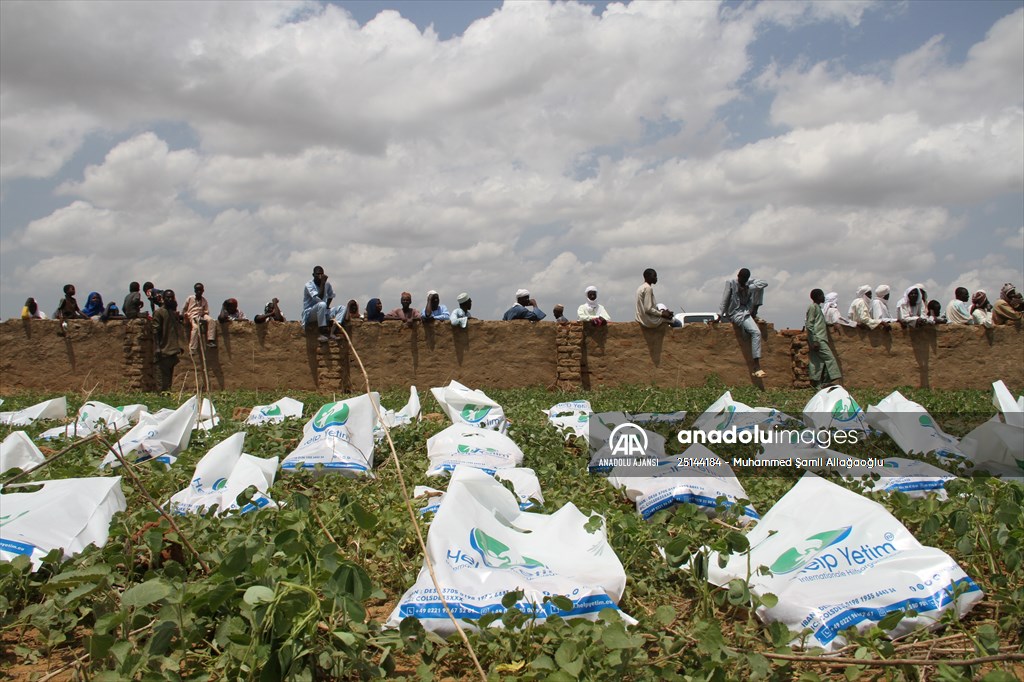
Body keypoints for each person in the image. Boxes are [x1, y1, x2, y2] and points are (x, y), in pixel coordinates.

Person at [719, 268, 768, 377]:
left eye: (745, 279)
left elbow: (765, 283)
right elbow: (724, 300)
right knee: (756, 333)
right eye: (742, 279)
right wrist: (719, 316)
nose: (743, 281)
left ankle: (755, 313)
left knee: (759, 288)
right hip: (736, 313)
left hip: (747, 310)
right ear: (738, 276)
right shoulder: (731, 283)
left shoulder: (748, 284)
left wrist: (749, 286)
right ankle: (756, 366)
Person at [806, 289, 841, 388]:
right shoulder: (813, 307)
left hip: (819, 338)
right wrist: (815, 340)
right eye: (822, 295)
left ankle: (818, 384)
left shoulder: (817, 308)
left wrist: (833, 324)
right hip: (818, 339)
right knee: (830, 359)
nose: (823, 297)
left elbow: (820, 322)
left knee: (818, 362)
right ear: (817, 297)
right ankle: (825, 382)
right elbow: (809, 324)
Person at [152, 289, 183, 392]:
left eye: (171, 297)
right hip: (163, 351)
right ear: (163, 299)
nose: (170, 299)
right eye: (167, 297)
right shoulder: (159, 312)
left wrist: (178, 346)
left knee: (168, 381)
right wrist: (157, 347)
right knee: (162, 382)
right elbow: (155, 331)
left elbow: (173, 331)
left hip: (171, 352)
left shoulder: (171, 313)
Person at [302, 265, 339, 342]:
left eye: (321, 274)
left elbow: (331, 295)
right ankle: (322, 332)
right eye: (318, 274)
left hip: (322, 311)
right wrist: (322, 283)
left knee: (341, 308)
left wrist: (327, 306)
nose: (320, 276)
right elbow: (319, 298)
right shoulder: (309, 285)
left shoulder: (327, 284)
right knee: (322, 304)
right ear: (313, 275)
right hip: (310, 314)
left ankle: (333, 331)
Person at [183, 282, 217, 350]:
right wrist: (184, 317)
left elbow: (207, 311)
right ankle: (193, 348)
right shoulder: (190, 298)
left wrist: (203, 315)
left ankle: (211, 340)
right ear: (195, 290)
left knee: (211, 320)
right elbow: (184, 309)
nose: (199, 292)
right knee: (195, 328)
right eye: (197, 290)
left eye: (200, 290)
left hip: (202, 315)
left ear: (203, 291)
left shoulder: (204, 300)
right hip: (192, 316)